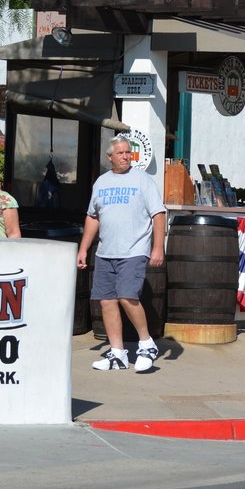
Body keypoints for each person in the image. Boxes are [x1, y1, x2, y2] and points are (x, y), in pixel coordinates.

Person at [77, 135, 167, 373]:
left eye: (129, 152)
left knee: (127, 297)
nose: (127, 157)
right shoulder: (101, 182)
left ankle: (146, 344)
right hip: (105, 252)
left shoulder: (143, 180)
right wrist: (84, 248)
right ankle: (117, 354)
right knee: (106, 301)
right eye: (121, 153)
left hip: (134, 250)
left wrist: (158, 247)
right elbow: (93, 216)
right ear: (110, 157)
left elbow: (158, 214)